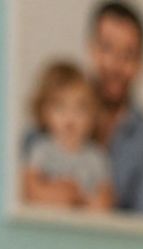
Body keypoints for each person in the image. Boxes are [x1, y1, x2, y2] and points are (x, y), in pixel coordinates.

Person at [86, 0, 143, 217]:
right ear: (91, 49)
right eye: (107, 48)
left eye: (128, 54)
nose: (115, 65)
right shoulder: (53, 115)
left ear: (141, 63)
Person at [20, 61, 117, 212]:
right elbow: (30, 190)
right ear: (44, 112)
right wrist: (62, 196)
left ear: (93, 115)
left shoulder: (96, 157)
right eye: (60, 106)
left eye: (80, 108)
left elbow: (105, 201)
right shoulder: (42, 150)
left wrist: (82, 201)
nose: (70, 117)